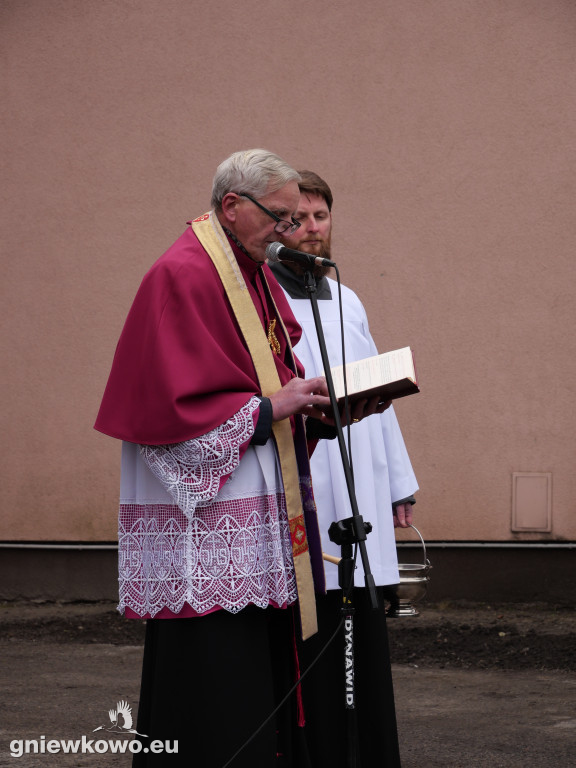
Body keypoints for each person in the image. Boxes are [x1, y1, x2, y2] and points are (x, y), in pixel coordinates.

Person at [94, 150, 351, 767]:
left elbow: (273, 367)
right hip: (209, 519)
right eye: (281, 217)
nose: (291, 232)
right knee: (214, 676)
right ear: (232, 206)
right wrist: (267, 411)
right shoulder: (184, 272)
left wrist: (303, 407)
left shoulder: (248, 267)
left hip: (255, 497)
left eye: (297, 219)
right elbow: (169, 410)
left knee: (259, 662)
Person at [269, 170, 419, 767]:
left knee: (363, 612)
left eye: (320, 217)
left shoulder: (346, 296)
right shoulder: (267, 297)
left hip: (360, 471)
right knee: (317, 615)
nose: (311, 229)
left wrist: (399, 484)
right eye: (298, 219)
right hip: (309, 469)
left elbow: (376, 401)